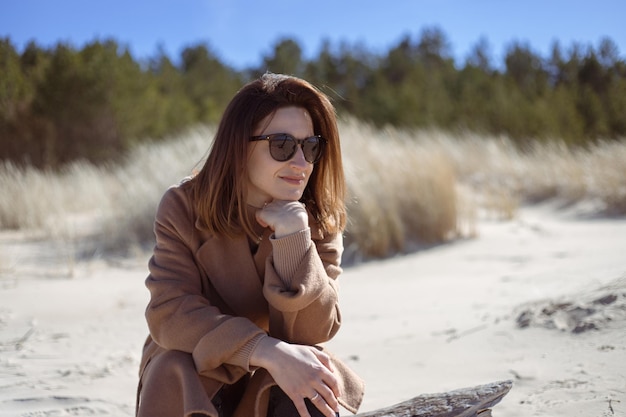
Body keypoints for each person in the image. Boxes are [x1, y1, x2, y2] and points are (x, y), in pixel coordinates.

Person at [136, 73, 365, 417]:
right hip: (196, 366)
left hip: (275, 374)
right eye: (283, 145)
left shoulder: (318, 218)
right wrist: (265, 349)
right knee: (175, 367)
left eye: (311, 146)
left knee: (313, 378)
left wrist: (294, 239)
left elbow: (314, 330)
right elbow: (169, 314)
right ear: (239, 146)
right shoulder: (184, 206)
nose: (301, 163)